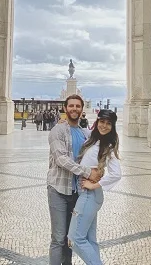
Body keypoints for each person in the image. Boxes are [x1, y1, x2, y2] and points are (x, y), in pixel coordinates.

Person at [47, 94, 101, 265]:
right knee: (58, 237)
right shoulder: (58, 130)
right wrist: (87, 172)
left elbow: (103, 141)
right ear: (65, 108)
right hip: (59, 189)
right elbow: (61, 159)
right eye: (71, 106)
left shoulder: (85, 133)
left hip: (77, 192)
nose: (74, 109)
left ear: (82, 109)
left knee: (71, 236)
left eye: (78, 106)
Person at [67, 110, 121, 265]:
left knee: (75, 239)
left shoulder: (108, 145)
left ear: (113, 126)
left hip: (89, 194)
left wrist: (94, 184)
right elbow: (78, 128)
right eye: (102, 122)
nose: (104, 126)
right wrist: (63, 122)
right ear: (96, 122)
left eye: (108, 123)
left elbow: (116, 174)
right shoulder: (92, 138)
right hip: (90, 195)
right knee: (90, 240)